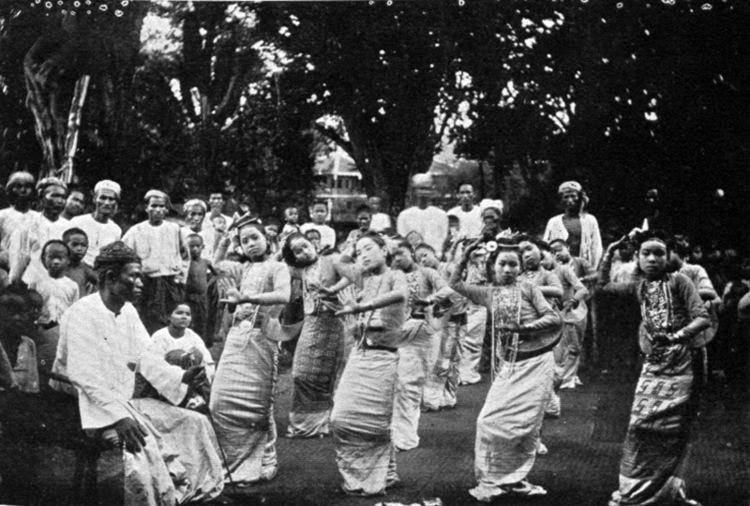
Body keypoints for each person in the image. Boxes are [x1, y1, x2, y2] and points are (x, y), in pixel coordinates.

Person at [50, 241, 225, 505]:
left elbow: (147, 355)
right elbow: (83, 375)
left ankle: (193, 492)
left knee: (194, 423)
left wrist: (181, 377)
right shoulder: (82, 314)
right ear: (110, 277)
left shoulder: (128, 310)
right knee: (141, 444)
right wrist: (119, 416)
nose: (141, 283)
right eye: (133, 276)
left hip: (121, 399)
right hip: (81, 402)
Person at [599, 231, 710, 506]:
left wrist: (674, 337)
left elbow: (703, 318)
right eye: (645, 253)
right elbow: (603, 286)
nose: (652, 259)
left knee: (676, 429)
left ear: (668, 257)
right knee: (640, 425)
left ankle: (670, 493)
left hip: (685, 361)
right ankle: (636, 492)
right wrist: (610, 252)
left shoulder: (680, 281)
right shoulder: (639, 285)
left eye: (658, 253)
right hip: (654, 363)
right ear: (637, 258)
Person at [450, 238, 561, 502]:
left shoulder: (529, 288)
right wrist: (464, 255)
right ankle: (492, 479)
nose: (508, 269)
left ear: (521, 268)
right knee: (489, 421)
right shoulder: (488, 292)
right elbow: (454, 284)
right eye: (503, 264)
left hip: (536, 362)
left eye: (514, 264)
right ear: (493, 267)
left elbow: (553, 318)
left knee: (525, 426)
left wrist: (524, 328)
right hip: (509, 365)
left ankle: (517, 478)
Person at [209, 214, 291, 485]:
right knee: (220, 402)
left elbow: (283, 295)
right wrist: (227, 237)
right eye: (245, 241)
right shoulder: (243, 268)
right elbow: (216, 263)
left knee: (259, 405)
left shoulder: (276, 267)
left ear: (267, 240)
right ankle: (232, 460)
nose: (251, 244)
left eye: (255, 238)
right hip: (237, 336)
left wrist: (247, 298)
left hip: (263, 337)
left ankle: (265, 459)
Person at [329, 231, 409, 496]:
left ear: (385, 250)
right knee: (341, 417)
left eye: (368, 249)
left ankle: (380, 476)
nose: (362, 254)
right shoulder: (364, 277)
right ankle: (383, 472)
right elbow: (339, 263)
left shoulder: (395, 275)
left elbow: (399, 295)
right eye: (359, 251)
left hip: (384, 357)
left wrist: (362, 308)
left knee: (374, 424)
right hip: (360, 355)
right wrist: (352, 245)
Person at [281, 232, 348, 438]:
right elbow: (277, 265)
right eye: (297, 251)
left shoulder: (332, 260)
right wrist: (282, 246)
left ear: (314, 244)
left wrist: (333, 290)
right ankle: (303, 423)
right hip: (311, 322)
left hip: (332, 322)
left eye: (305, 246)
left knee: (324, 375)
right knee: (300, 373)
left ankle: (320, 424)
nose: (303, 252)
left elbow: (351, 275)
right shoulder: (301, 270)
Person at [389, 240, 452, 450]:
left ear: (412, 253)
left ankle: (405, 437)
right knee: (396, 383)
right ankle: (397, 432)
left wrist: (430, 300)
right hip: (397, 331)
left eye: (401, 253)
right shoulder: (392, 276)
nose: (397, 259)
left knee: (410, 383)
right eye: (394, 255)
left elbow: (447, 292)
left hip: (421, 332)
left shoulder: (427, 273)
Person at [123, 189, 186, 333]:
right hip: (147, 283)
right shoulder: (136, 231)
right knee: (146, 319)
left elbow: (185, 255)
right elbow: (124, 254)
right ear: (147, 208)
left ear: (166, 209)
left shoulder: (174, 229)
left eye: (162, 206)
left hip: (171, 282)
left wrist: (181, 278)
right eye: (154, 206)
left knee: (170, 318)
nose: (158, 210)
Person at [29, 239, 79, 385]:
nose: (56, 262)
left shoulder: (72, 285)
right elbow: (31, 305)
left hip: (61, 331)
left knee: (57, 364)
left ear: (68, 260)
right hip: (41, 329)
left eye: (60, 258)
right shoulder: (36, 281)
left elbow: (74, 311)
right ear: (44, 259)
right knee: (41, 363)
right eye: (51, 257)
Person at [151, 303, 216, 411]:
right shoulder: (159, 336)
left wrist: (202, 374)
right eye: (179, 313)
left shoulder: (193, 336)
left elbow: (208, 362)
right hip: (169, 382)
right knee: (176, 355)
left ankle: (195, 398)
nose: (184, 317)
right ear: (169, 317)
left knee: (196, 354)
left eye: (188, 314)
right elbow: (154, 364)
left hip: (193, 382)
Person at [8, 177, 69, 286]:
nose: (59, 201)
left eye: (63, 197)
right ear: (41, 198)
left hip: (59, 284)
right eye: (54, 196)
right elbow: (19, 258)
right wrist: (14, 283)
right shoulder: (28, 224)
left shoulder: (68, 227)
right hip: (31, 283)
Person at [543, 181, 603, 270]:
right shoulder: (553, 222)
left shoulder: (590, 220)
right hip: (559, 271)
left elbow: (596, 248)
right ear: (561, 200)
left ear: (579, 198)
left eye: (573, 196)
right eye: (566, 197)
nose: (570, 200)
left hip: (583, 269)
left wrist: (591, 269)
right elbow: (545, 248)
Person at [69, 179, 122, 267]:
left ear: (116, 203)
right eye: (103, 198)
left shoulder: (116, 230)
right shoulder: (77, 222)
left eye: (111, 199)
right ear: (94, 199)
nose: (107, 203)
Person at [397, 174, 449, 257]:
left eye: (427, 189)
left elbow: (443, 238)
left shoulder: (441, 215)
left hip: (436, 257)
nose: (424, 192)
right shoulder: (404, 215)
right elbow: (403, 240)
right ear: (414, 191)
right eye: (421, 188)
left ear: (432, 191)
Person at [0, 171, 37, 275]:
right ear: (10, 190)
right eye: (18, 186)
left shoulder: (38, 218)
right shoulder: (2, 216)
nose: (23, 190)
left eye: (28, 187)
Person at [184, 233, 217, 346]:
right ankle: (186, 345)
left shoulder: (206, 262)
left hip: (202, 296)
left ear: (203, 246)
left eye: (198, 246)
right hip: (187, 296)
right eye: (191, 246)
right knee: (188, 321)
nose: (195, 249)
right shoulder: (185, 263)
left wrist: (208, 284)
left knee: (202, 320)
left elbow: (216, 275)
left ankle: (200, 346)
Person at [63, 227, 98, 296]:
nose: (79, 249)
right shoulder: (56, 266)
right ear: (64, 246)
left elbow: (103, 285)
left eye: (83, 245)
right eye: (75, 245)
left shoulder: (86, 269)